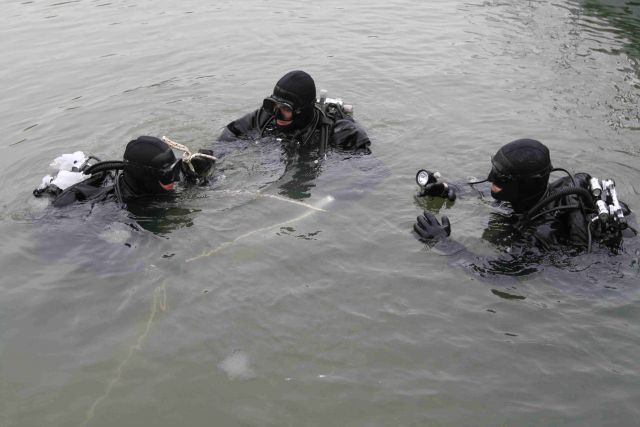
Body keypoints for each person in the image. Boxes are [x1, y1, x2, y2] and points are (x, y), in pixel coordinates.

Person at [413, 139, 636, 272]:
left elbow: (497, 272)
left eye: (500, 177)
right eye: (494, 171)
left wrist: (445, 244)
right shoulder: (536, 192)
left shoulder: (542, 233)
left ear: (523, 184)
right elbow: (490, 189)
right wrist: (447, 188)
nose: (490, 179)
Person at [219, 70, 371, 158]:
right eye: (274, 105)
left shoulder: (340, 132)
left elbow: (370, 173)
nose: (277, 115)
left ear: (302, 110)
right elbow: (229, 136)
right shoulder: (265, 117)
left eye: (285, 109)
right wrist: (211, 159)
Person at [34, 136, 215, 207]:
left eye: (174, 168)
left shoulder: (160, 180)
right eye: (167, 172)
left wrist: (201, 175)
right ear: (143, 174)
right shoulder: (115, 205)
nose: (174, 178)